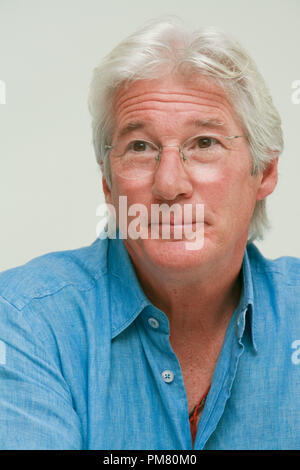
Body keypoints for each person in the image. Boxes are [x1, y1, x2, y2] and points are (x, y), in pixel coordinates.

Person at [0, 16, 299, 451]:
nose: (170, 184)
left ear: (265, 171)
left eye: (204, 143)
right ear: (107, 181)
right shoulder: (25, 321)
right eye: (140, 147)